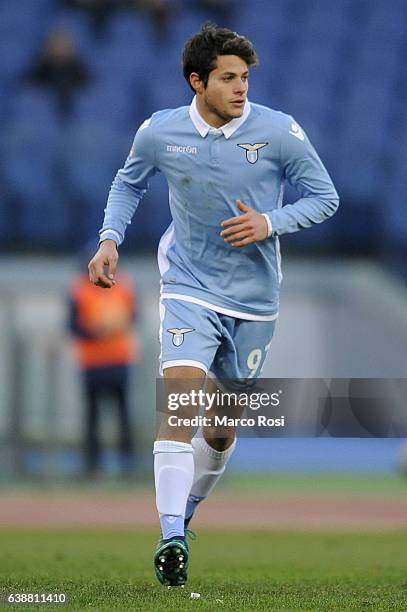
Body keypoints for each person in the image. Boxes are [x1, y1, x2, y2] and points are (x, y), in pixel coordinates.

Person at [88, 24, 339, 585]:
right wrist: (110, 238)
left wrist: (269, 221)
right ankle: (171, 534)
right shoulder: (161, 131)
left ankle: (189, 510)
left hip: (253, 300)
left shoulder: (278, 132)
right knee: (181, 403)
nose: (241, 88)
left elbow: (326, 198)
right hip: (186, 286)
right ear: (196, 81)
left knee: (222, 430)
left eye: (245, 77)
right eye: (228, 78)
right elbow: (128, 183)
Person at [69, 243, 140, 477]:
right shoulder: (79, 289)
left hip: (118, 360)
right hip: (92, 362)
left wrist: (115, 326)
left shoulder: (124, 286)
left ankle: (128, 465)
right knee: (92, 417)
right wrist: (97, 331)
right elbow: (73, 327)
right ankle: (91, 466)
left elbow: (133, 317)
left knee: (123, 415)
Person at [26, 30, 90, 119]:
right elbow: (31, 92)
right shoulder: (38, 71)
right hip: (42, 118)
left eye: (63, 45)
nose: (59, 49)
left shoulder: (81, 72)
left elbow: (87, 91)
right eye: (55, 45)